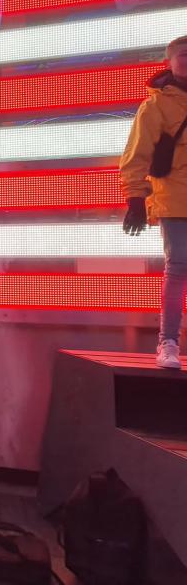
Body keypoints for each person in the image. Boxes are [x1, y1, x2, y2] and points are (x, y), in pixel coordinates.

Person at [121, 34, 187, 369]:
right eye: (184, 55)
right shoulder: (156, 105)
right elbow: (137, 153)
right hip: (174, 199)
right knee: (178, 270)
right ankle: (169, 343)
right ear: (170, 62)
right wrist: (135, 197)